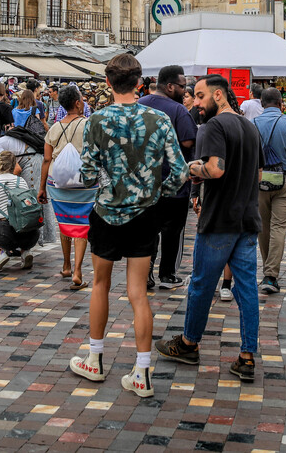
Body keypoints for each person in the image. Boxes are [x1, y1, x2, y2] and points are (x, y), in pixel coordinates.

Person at [69, 53, 188, 398]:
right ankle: (142, 371)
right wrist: (155, 192)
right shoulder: (159, 119)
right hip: (145, 214)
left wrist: (109, 182)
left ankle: (94, 358)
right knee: (138, 293)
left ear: (108, 83)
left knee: (101, 285)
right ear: (140, 83)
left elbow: (88, 174)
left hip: (107, 213)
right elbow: (180, 172)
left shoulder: (97, 121)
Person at [156, 73, 263, 383]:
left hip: (219, 221)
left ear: (219, 96)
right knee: (247, 289)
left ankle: (189, 343)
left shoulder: (214, 126)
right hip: (247, 218)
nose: (197, 103)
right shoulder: (249, 127)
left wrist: (191, 169)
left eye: (201, 96)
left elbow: (215, 168)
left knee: (201, 284)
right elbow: (256, 175)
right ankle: (246, 356)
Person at [139, 65, 197, 290]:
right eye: (182, 86)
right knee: (172, 232)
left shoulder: (139, 105)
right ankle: (167, 275)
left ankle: (146, 273)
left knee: (147, 231)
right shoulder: (178, 110)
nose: (185, 91)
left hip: (144, 184)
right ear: (170, 85)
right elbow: (188, 142)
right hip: (173, 185)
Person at [38, 85, 95, 290]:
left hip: (57, 182)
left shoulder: (53, 128)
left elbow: (46, 160)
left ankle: (66, 265)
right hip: (84, 184)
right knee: (81, 225)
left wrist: (42, 187)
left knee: (64, 222)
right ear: (78, 103)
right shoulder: (89, 125)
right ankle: (79, 271)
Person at [253, 87, 286, 294]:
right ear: (280, 103)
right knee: (279, 228)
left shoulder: (252, 124)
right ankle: (270, 274)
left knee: (263, 228)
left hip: (258, 180)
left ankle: (269, 271)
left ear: (262, 103)